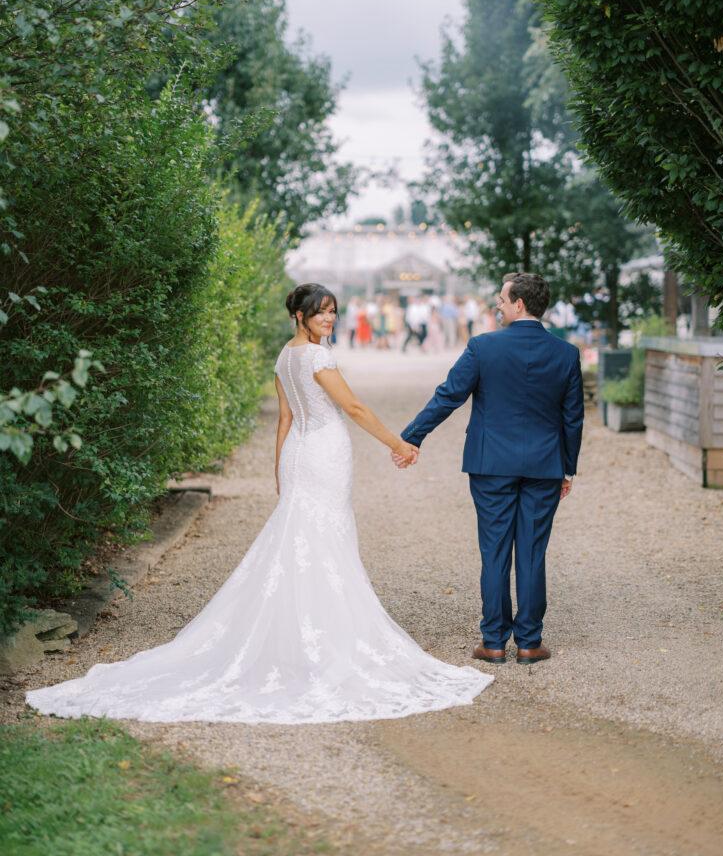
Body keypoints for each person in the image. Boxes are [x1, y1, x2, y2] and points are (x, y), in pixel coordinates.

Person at [25, 283, 492, 724]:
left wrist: (280, 468)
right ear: (299, 316)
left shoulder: (285, 356)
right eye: (320, 312)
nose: (329, 318)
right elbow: (352, 408)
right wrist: (399, 443)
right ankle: (325, 644)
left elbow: (286, 420)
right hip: (323, 451)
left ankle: (300, 638)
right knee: (323, 538)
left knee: (302, 540)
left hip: (299, 455)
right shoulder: (314, 356)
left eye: (332, 311)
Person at [393, 272, 584, 667]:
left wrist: (412, 437)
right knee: (532, 552)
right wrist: (567, 469)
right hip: (544, 466)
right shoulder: (565, 354)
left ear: (518, 304)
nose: (496, 305)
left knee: (495, 550)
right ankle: (529, 644)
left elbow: (448, 397)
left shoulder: (483, 348)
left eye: (501, 299)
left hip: (491, 464)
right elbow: (573, 420)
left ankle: (494, 642)